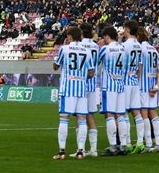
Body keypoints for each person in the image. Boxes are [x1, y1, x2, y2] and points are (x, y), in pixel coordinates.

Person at [52, 25, 94, 160]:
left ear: (70, 37)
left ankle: (62, 151)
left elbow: (55, 66)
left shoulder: (64, 49)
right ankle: (81, 151)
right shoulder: (86, 51)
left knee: (64, 119)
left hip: (67, 88)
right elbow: (91, 72)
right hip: (81, 89)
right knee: (81, 120)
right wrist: (81, 77)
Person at [98, 25, 129, 156]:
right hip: (120, 86)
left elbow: (95, 63)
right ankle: (123, 146)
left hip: (108, 86)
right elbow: (126, 67)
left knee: (110, 115)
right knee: (120, 115)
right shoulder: (123, 49)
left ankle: (112, 147)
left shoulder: (105, 49)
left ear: (106, 36)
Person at [137, 27, 159, 152]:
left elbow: (140, 69)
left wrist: (135, 83)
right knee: (153, 113)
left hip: (142, 86)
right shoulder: (153, 49)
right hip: (152, 86)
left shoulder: (140, 49)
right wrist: (157, 86)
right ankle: (158, 142)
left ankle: (148, 143)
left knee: (144, 115)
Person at [121, 20, 146, 153]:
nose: (124, 31)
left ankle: (128, 143)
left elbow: (121, 64)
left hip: (125, 81)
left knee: (124, 112)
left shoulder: (124, 45)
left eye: (125, 29)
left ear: (128, 30)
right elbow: (140, 68)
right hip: (134, 82)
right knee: (136, 112)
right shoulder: (139, 46)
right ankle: (140, 142)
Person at [79, 22, 100, 157]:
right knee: (90, 116)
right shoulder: (96, 46)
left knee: (80, 117)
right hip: (92, 83)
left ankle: (80, 148)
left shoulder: (79, 45)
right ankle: (93, 149)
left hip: (80, 84)